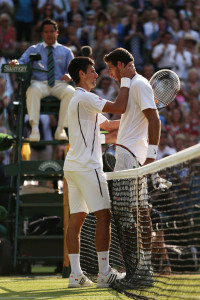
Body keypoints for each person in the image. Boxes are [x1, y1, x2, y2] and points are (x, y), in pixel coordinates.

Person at [63, 56, 134, 288]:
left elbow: (109, 128)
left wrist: (137, 119)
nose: (96, 75)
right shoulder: (86, 97)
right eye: (92, 71)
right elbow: (120, 108)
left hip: (72, 168)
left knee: (76, 221)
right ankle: (104, 273)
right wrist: (125, 80)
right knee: (104, 216)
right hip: (87, 167)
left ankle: (76, 275)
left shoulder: (78, 99)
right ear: (81, 74)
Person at [103, 48, 161, 287]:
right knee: (132, 215)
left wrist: (151, 157)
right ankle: (138, 269)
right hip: (125, 156)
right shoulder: (133, 85)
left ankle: (142, 270)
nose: (110, 73)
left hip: (132, 159)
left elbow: (154, 120)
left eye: (110, 68)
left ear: (120, 64)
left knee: (137, 214)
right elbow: (131, 121)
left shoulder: (137, 85)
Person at [9, 18, 75, 141]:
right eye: (46, 32)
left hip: (59, 84)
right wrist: (16, 62)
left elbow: (72, 70)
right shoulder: (33, 49)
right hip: (39, 83)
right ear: (42, 34)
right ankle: (35, 129)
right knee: (32, 90)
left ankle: (60, 129)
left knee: (71, 92)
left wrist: (69, 76)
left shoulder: (66, 51)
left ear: (57, 32)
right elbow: (21, 62)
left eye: (51, 31)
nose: (49, 34)